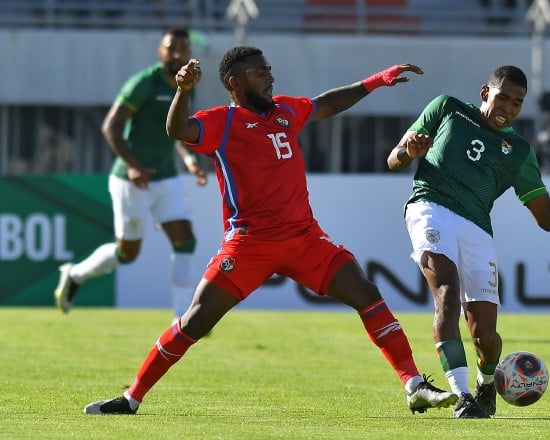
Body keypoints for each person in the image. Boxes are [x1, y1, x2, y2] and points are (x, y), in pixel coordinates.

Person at [83, 46, 458, 416]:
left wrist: (375, 81)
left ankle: (414, 385)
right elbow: (176, 128)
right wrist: (182, 90)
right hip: (249, 244)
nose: (270, 77)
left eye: (269, 70)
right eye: (260, 72)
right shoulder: (222, 122)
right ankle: (131, 398)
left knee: (366, 293)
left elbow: (325, 103)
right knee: (195, 321)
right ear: (235, 82)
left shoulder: (285, 111)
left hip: (304, 239)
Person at [386, 65, 550, 418]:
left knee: (484, 333)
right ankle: (462, 393)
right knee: (447, 296)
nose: (508, 108)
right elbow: (393, 159)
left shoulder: (518, 150)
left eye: (517, 103)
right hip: (430, 206)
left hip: (477, 227)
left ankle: (486, 385)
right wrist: (409, 151)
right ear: (486, 93)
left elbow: (546, 218)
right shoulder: (448, 107)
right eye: (503, 98)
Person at [54, 27, 208, 322]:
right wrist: (134, 165)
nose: (177, 54)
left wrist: (188, 160)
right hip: (131, 179)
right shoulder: (144, 83)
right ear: (159, 52)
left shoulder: (187, 85)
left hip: (165, 176)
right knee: (128, 254)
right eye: (171, 48)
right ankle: (75, 275)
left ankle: (183, 319)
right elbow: (110, 127)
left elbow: (176, 131)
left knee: (185, 239)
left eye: (183, 48)